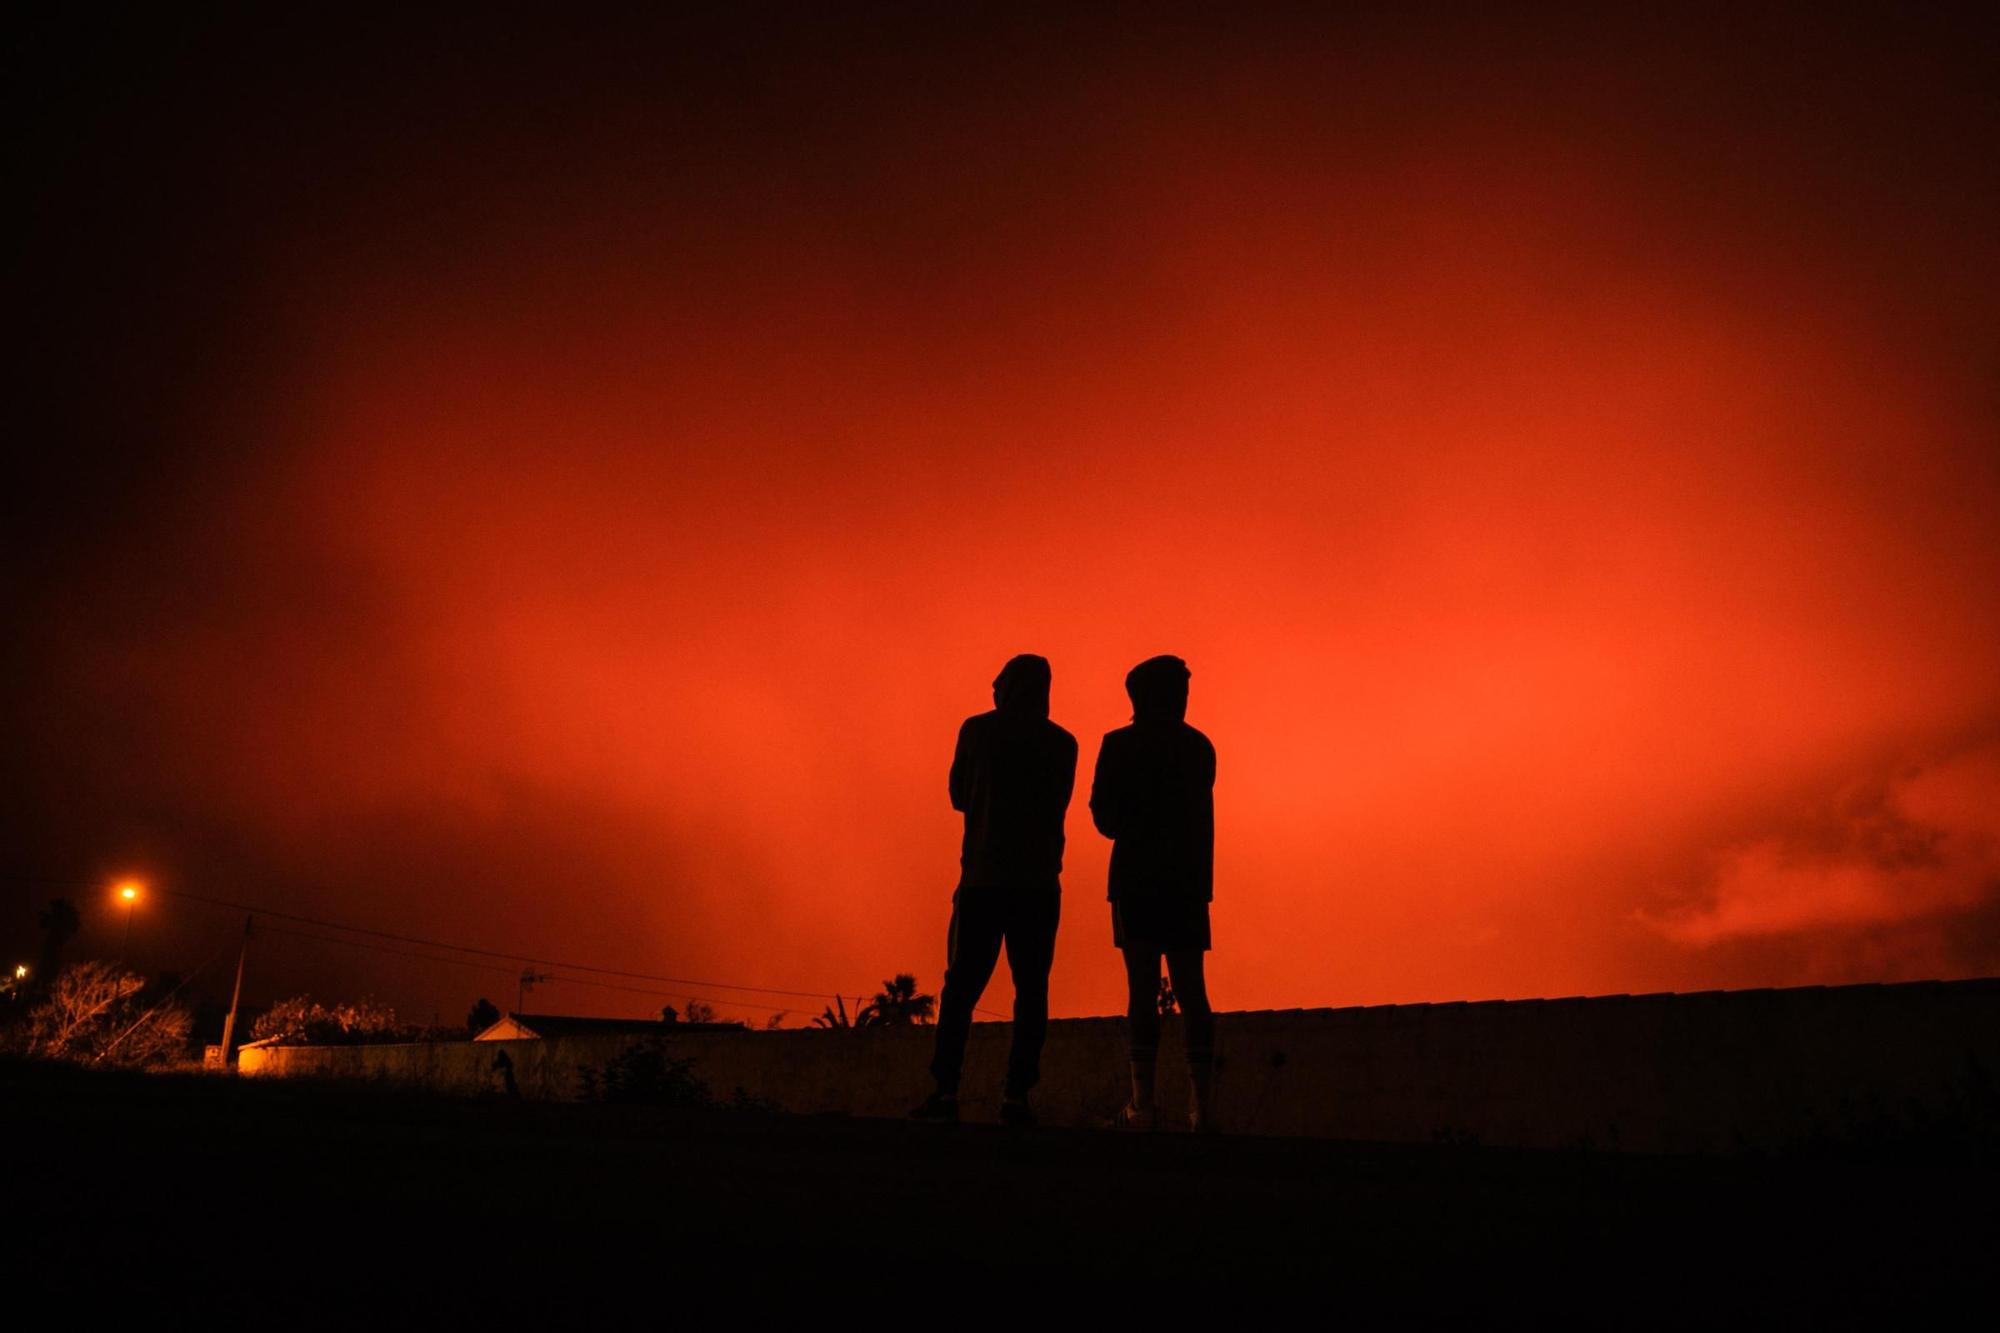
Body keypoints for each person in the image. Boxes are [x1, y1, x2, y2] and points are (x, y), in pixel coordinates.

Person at [911, 654, 1078, 1126]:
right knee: (1030, 990)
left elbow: (958, 796)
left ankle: (946, 1090)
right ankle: (1016, 1095)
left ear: (1005, 688)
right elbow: (1058, 801)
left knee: (961, 987)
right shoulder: (1062, 743)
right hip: (1039, 884)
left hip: (983, 878)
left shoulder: (977, 731)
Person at [1089, 655, 1217, 1132]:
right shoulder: (1199, 747)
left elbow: (1104, 819)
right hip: (1187, 883)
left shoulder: (1119, 745)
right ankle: (1201, 1109)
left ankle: (1143, 1105)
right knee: (1193, 991)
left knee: (1142, 990)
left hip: (1136, 881)